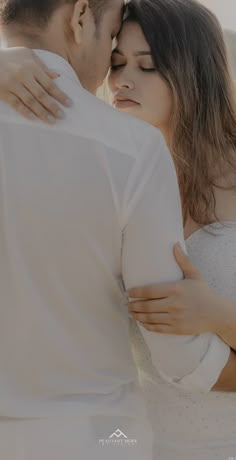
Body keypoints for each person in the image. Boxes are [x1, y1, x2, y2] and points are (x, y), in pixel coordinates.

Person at [0, 0, 235, 459]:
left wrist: (221, 315)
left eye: (147, 66)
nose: (122, 80)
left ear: (194, 70)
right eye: (116, 62)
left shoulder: (133, 161)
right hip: (131, 439)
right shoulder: (123, 165)